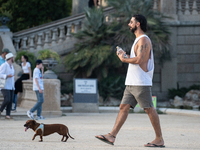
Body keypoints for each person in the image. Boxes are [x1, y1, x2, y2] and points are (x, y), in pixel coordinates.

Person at [95, 14, 165, 148]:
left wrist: (123, 60)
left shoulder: (144, 40)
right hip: (131, 82)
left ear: (138, 24)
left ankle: (159, 139)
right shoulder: (138, 40)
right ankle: (112, 135)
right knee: (123, 107)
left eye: (131, 22)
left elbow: (139, 60)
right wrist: (125, 55)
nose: (129, 24)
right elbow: (137, 59)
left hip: (140, 83)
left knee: (149, 109)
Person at [0, 53, 15, 119]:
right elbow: (0, 74)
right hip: (5, 86)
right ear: (11, 58)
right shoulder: (4, 65)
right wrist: (6, 76)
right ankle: (0, 110)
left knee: (10, 100)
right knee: (7, 99)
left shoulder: (12, 66)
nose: (14, 59)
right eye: (13, 57)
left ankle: (7, 114)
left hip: (11, 86)